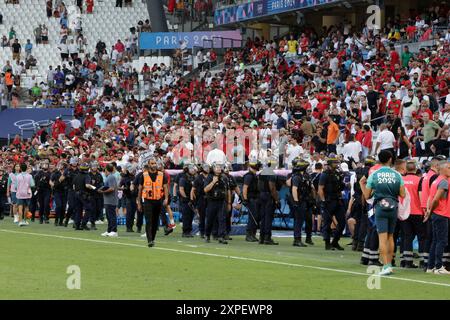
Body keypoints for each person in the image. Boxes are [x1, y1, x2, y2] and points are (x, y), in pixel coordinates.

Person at [359, 150, 406, 276]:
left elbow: (368, 195)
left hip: (380, 207)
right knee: (391, 237)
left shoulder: (375, 174)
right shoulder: (397, 174)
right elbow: (403, 194)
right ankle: (390, 264)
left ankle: (386, 266)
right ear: (390, 159)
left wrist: (363, 187)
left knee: (382, 237)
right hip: (393, 206)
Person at [424, 160, 450, 275]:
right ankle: (439, 266)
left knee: (435, 241)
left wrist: (429, 210)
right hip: (441, 214)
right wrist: (431, 211)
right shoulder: (444, 182)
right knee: (441, 241)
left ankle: (430, 266)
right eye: (449, 167)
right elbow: (435, 199)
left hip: (436, 214)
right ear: (442, 169)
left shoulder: (435, 181)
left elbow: (430, 197)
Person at [137, 158, 169, 247]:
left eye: (155, 163)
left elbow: (165, 187)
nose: (154, 165)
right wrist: (139, 202)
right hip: (147, 200)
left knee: (155, 222)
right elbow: (140, 189)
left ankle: (153, 238)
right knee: (148, 221)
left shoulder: (162, 175)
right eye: (152, 163)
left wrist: (166, 199)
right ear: (148, 164)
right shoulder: (143, 175)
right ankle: (149, 240)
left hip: (158, 200)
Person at [401, 160, 426, 268]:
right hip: (417, 212)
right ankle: (422, 261)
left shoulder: (401, 180)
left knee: (407, 237)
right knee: (422, 237)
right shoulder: (420, 180)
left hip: (404, 212)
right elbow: (422, 196)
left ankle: (407, 262)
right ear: (415, 169)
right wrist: (425, 211)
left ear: (406, 169)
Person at [318, 155, 346, 250]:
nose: (337, 164)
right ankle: (327, 243)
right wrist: (323, 201)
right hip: (328, 201)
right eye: (335, 163)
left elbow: (340, 188)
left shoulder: (338, 174)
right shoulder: (324, 174)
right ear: (330, 164)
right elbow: (320, 189)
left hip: (337, 200)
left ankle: (335, 242)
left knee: (342, 222)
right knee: (327, 223)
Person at [290, 157, 315, 247]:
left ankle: (308, 237)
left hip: (307, 200)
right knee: (299, 220)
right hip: (300, 200)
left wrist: (313, 198)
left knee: (308, 219)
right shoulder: (296, 176)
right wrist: (296, 201)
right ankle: (297, 239)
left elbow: (311, 187)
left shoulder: (306, 176)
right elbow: (294, 189)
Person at [203, 162, 231, 244]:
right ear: (213, 168)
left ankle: (221, 236)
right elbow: (205, 190)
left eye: (220, 167)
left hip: (221, 201)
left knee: (222, 219)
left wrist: (229, 202)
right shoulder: (210, 177)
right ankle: (207, 234)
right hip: (212, 201)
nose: (219, 168)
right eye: (217, 167)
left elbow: (227, 190)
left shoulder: (224, 177)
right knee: (210, 219)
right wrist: (213, 182)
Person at [257, 158, 280, 245]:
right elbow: (272, 188)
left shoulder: (262, 172)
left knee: (263, 217)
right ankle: (267, 237)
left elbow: (258, 185)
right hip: (268, 196)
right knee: (268, 217)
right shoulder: (272, 174)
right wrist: (276, 199)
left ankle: (261, 237)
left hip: (262, 195)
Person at [72, 162, 96, 230]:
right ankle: (83, 224)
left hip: (76, 194)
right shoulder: (87, 176)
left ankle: (77, 225)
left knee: (78, 210)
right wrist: (94, 187)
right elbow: (87, 185)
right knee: (88, 209)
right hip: (83, 194)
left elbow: (73, 186)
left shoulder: (76, 175)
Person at [242, 160, 261, 242]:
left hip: (255, 198)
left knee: (255, 217)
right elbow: (245, 188)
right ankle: (249, 235)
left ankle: (253, 234)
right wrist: (245, 199)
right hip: (251, 198)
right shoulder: (249, 176)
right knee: (252, 217)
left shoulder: (254, 175)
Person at [99, 164, 119, 237]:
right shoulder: (109, 177)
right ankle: (109, 230)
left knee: (111, 216)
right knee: (108, 216)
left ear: (106, 169)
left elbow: (112, 188)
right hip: (108, 199)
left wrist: (102, 191)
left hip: (111, 200)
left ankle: (114, 231)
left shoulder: (111, 177)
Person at [191, 164, 210, 238]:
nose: (207, 169)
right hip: (201, 198)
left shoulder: (210, 177)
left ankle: (209, 231)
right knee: (202, 216)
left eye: (208, 167)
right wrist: (193, 200)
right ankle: (202, 232)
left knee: (210, 216)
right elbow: (193, 190)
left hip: (209, 198)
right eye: (205, 167)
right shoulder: (198, 178)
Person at [178, 164, 197, 237]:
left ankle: (189, 230)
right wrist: (185, 198)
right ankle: (185, 231)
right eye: (191, 169)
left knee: (191, 215)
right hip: (185, 200)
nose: (193, 170)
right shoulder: (183, 178)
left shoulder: (193, 178)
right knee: (186, 216)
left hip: (192, 199)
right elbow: (181, 189)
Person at [50, 161, 68, 226]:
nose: (59, 166)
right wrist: (53, 185)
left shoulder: (67, 173)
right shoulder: (55, 173)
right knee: (59, 206)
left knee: (63, 207)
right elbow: (50, 181)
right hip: (57, 191)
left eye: (61, 165)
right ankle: (56, 220)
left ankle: (61, 221)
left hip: (65, 192)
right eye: (59, 165)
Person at [120, 164, 136, 232]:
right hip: (128, 197)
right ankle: (128, 227)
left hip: (134, 197)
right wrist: (124, 188)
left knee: (133, 212)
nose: (133, 171)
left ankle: (131, 226)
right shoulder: (124, 178)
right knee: (129, 212)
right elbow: (119, 186)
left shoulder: (135, 177)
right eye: (131, 170)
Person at [89, 161, 104, 228]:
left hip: (99, 194)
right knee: (92, 209)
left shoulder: (99, 174)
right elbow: (88, 185)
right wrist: (95, 189)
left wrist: (101, 188)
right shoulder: (88, 175)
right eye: (93, 166)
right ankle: (92, 222)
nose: (94, 167)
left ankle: (96, 220)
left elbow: (102, 183)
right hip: (91, 194)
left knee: (98, 208)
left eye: (95, 166)